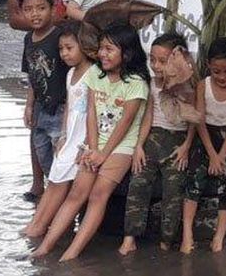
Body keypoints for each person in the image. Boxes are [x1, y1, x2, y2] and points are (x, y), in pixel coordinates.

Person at [30, 23, 150, 261]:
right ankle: (44, 247)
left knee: (97, 196)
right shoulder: (96, 74)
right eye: (101, 48)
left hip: (121, 148)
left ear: (126, 53)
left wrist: (103, 154)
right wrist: (92, 148)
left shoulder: (137, 83)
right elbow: (92, 115)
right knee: (76, 193)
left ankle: (71, 252)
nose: (102, 54)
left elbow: (125, 125)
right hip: (96, 144)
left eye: (109, 49)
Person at [7, 0, 85, 201]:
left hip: (76, 47)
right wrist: (43, 19)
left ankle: (67, 183)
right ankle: (39, 183)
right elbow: (12, 16)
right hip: (43, 46)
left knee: (71, 114)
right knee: (39, 117)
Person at [119, 33, 197, 255]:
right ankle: (129, 237)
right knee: (138, 182)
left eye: (162, 61)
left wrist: (186, 147)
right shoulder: (152, 84)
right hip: (153, 137)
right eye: (152, 59)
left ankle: (167, 240)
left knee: (174, 191)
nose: (156, 66)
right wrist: (139, 146)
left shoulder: (188, 86)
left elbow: (193, 121)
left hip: (178, 141)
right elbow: (148, 117)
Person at [23, 20, 93, 238]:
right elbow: (70, 109)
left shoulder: (94, 74)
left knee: (60, 181)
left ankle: (41, 227)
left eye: (69, 48)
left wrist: (88, 144)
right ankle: (37, 224)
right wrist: (62, 137)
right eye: (61, 49)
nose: (64, 54)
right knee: (54, 179)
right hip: (70, 136)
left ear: (84, 45)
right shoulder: (71, 74)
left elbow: (94, 114)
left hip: (82, 137)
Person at [181, 37, 226, 254]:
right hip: (205, 135)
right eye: (217, 72)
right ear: (209, 66)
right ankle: (187, 233)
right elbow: (199, 120)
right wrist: (211, 154)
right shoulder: (202, 86)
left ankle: (219, 236)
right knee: (194, 179)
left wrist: (221, 156)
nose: (222, 77)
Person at [20, 0, 70, 188]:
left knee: (61, 153)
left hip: (61, 108)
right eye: (28, 10)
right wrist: (29, 105)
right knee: (43, 154)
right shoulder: (28, 39)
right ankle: (54, 192)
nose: (35, 14)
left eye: (41, 8)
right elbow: (33, 75)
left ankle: (61, 196)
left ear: (52, 8)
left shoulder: (60, 37)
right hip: (41, 108)